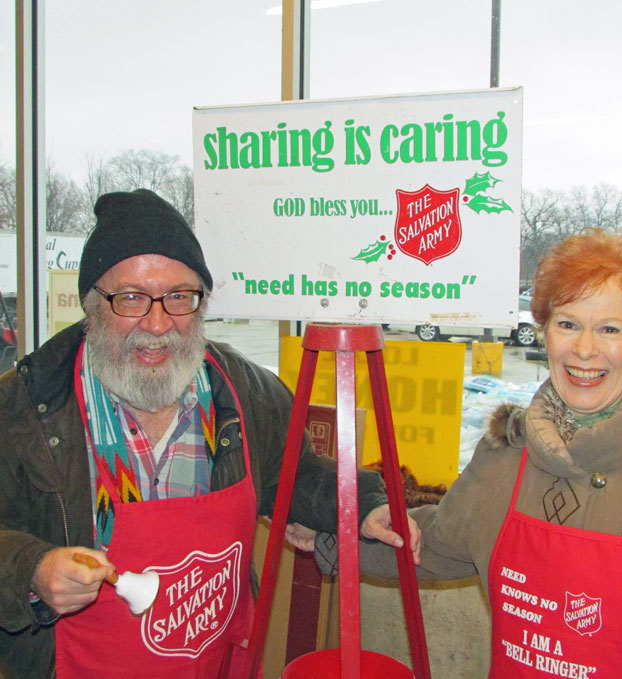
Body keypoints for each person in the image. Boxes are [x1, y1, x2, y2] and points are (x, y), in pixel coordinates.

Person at [317, 228, 622, 678]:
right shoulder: (507, 451)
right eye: (568, 324)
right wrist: (328, 530)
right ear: (544, 331)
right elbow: (435, 546)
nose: (584, 350)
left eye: (610, 329)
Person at [0, 189, 417, 679]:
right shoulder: (23, 411)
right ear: (92, 305)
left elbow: (296, 477)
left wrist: (365, 502)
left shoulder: (246, 392)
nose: (158, 324)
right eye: (131, 298)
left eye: (179, 296)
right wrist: (30, 567)